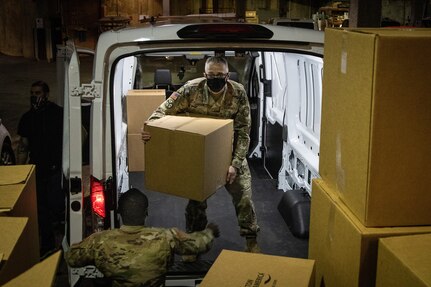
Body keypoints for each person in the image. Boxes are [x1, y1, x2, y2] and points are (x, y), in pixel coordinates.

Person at [142, 56, 260, 256]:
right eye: (211, 75)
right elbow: (160, 113)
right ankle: (192, 244)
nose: (215, 78)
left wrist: (235, 164)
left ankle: (251, 240)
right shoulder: (191, 89)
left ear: (227, 75)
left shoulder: (238, 92)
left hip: (230, 153)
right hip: (200, 153)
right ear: (205, 75)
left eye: (220, 75)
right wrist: (151, 130)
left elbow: (243, 132)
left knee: (245, 198)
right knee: (195, 203)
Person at [65, 188, 220, 287]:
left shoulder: (100, 241)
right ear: (146, 213)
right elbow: (198, 244)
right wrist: (210, 232)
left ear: (120, 213)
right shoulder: (166, 238)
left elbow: (71, 258)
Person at [16, 80, 64, 258]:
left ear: (46, 94)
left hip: (56, 168)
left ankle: (64, 240)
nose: (34, 96)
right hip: (38, 169)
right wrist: (21, 172)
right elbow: (23, 146)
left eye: (38, 93)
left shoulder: (57, 114)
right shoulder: (27, 118)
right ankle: (48, 244)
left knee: (57, 206)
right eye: (32, 93)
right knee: (41, 209)